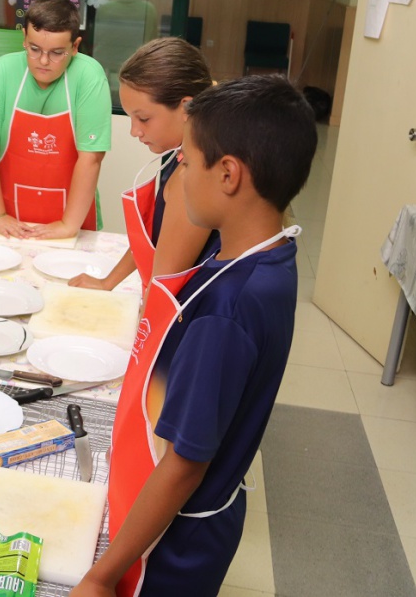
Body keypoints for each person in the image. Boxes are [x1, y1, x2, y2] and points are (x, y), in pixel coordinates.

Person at [70, 74, 318, 597]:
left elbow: (183, 466)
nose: (178, 166)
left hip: (173, 546)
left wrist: (100, 576)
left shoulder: (225, 313)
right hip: (212, 516)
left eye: (187, 156)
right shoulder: (268, 258)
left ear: (228, 174)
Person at [69, 37, 219, 294]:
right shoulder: (185, 154)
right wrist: (108, 283)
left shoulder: (194, 179)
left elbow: (164, 285)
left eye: (144, 118)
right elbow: (154, 238)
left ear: (186, 107)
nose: (134, 131)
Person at [0, 0, 113, 240]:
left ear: (75, 46)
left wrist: (68, 225)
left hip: (73, 219)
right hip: (9, 217)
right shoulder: (2, 72)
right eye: (34, 49)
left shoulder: (89, 77)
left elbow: (92, 158)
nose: (43, 61)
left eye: (57, 53)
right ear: (24, 37)